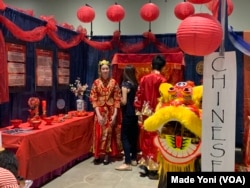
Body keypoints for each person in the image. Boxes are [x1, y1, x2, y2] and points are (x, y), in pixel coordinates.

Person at [134, 54, 167, 179]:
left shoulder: (143, 79)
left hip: (145, 113)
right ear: (163, 67)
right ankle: (153, 167)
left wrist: (138, 113)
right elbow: (164, 99)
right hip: (157, 114)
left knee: (145, 138)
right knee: (155, 140)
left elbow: (139, 96)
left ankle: (144, 164)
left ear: (152, 65)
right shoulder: (162, 81)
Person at [89, 59, 122, 165]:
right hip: (100, 111)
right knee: (99, 133)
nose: (105, 70)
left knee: (109, 134)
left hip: (111, 111)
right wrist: (98, 114)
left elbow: (117, 98)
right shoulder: (96, 83)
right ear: (100, 70)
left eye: (107, 68)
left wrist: (115, 114)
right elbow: (93, 98)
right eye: (103, 69)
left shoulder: (114, 82)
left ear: (109, 70)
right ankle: (98, 154)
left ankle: (107, 155)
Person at [115, 65, 139, 171]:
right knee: (133, 137)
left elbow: (124, 101)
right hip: (135, 114)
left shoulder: (125, 85)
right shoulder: (135, 84)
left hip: (128, 114)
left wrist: (117, 100)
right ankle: (134, 159)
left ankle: (127, 162)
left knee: (124, 137)